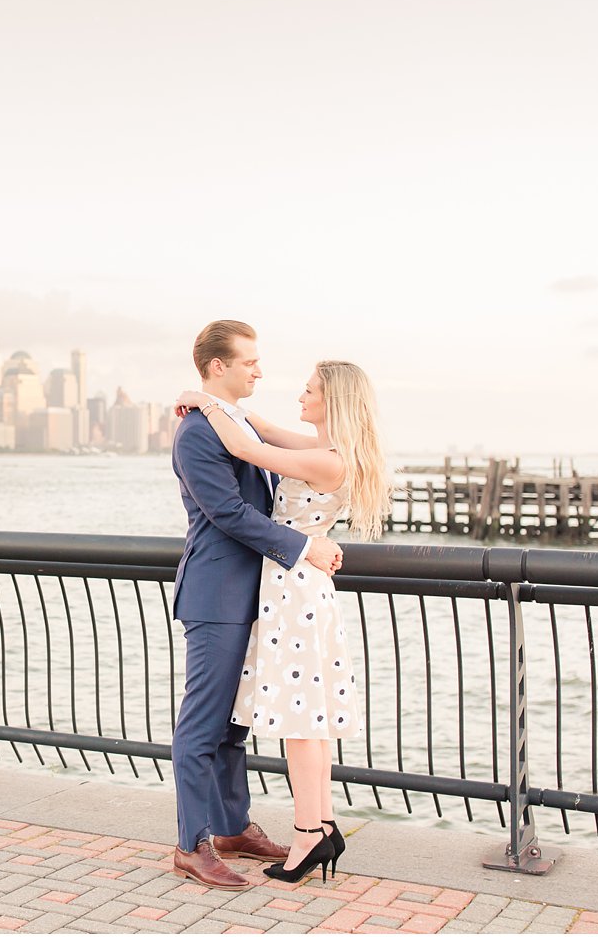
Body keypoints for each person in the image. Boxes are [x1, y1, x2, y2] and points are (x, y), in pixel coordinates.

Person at [176, 358, 388, 885]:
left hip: (294, 589)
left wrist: (204, 402)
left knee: (302, 722)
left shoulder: (328, 460)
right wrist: (212, 404)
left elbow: (249, 449)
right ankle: (317, 827)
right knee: (307, 721)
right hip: (291, 585)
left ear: (332, 400)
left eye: (310, 390)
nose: (299, 395)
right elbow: (260, 431)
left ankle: (308, 833)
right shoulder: (326, 450)